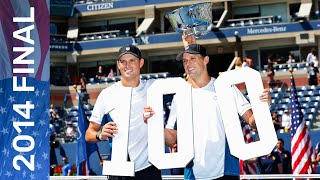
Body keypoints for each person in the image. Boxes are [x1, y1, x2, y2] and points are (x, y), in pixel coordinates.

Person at [144, 32, 271, 179]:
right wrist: (154, 124)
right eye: (185, 61)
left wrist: (263, 108)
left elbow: (252, 122)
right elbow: (172, 139)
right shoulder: (180, 96)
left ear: (206, 60)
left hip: (226, 169)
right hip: (193, 173)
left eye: (192, 59)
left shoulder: (225, 88)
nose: (188, 64)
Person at [85, 44, 162, 180]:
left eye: (132, 60)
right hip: (119, 169)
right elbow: (89, 134)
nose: (128, 65)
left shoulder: (153, 88)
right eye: (123, 61)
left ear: (141, 63)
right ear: (118, 65)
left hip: (148, 167)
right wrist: (100, 134)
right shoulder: (107, 94)